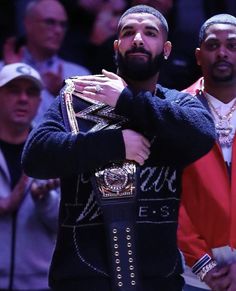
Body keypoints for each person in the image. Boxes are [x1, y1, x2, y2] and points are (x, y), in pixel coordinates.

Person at [22, 5, 215, 291]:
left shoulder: (178, 104)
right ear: (116, 47)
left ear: (166, 49)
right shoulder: (79, 94)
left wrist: (126, 100)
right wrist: (114, 144)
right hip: (82, 278)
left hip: (158, 280)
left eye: (150, 33)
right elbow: (35, 155)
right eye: (128, 32)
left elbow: (202, 135)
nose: (138, 39)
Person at [177, 14, 236, 291]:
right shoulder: (176, 109)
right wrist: (202, 261)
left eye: (232, 46)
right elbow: (168, 192)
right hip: (193, 272)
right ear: (199, 56)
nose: (223, 52)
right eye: (213, 46)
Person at [0, 62, 60, 291]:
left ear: (39, 102)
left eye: (32, 92)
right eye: (14, 90)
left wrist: (45, 201)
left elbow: (63, 223)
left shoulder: (51, 149)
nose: (23, 98)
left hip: (39, 284)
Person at [1, 0, 90, 125]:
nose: (58, 30)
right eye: (50, 22)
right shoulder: (4, 68)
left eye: (63, 25)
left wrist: (62, 95)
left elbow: (87, 128)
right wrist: (11, 74)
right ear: (28, 24)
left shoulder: (79, 75)